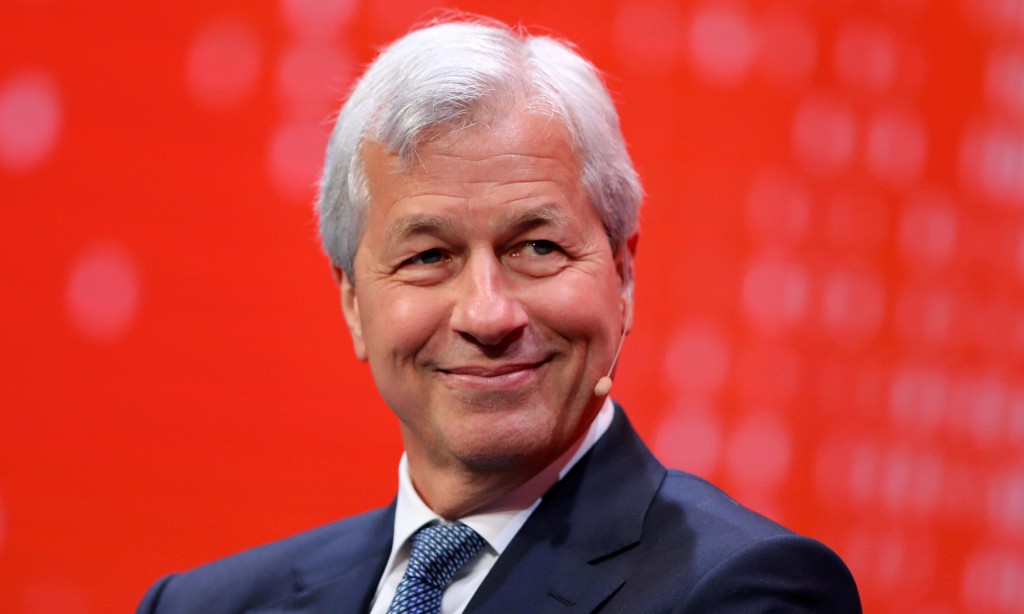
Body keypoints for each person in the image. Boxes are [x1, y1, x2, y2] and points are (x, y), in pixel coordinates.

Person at [138, 16, 861, 613]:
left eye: (537, 247)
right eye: (428, 256)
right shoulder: (202, 605)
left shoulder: (746, 591)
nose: (487, 315)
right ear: (354, 302)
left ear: (623, 276)